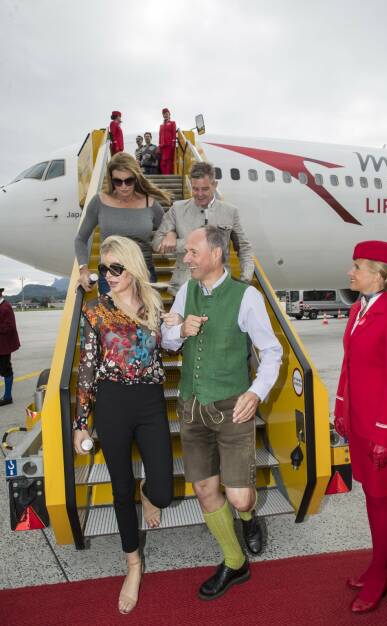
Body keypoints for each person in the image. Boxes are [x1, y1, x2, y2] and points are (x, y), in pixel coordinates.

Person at [161, 226, 282, 600]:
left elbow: (272, 352)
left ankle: (247, 517)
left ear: (216, 254)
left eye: (193, 252)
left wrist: (256, 393)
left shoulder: (247, 297)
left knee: (240, 497)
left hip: (232, 409)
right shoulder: (185, 290)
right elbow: (167, 343)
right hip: (192, 406)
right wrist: (180, 328)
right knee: (203, 488)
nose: (186, 258)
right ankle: (235, 562)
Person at [73, 235, 173, 614]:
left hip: (149, 401)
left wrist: (178, 327)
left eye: (116, 268)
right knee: (120, 487)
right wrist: (81, 423)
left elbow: (165, 347)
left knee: (163, 490)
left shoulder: (152, 306)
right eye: (104, 268)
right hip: (112, 402)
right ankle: (133, 564)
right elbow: (86, 369)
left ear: (133, 269)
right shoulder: (95, 312)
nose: (109, 275)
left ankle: (150, 496)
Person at [333, 240, 387, 614]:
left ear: (380, 277)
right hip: (359, 421)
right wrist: (340, 408)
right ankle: (380, 561)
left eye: (358, 267)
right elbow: (348, 366)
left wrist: (384, 435)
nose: (351, 272)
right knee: (369, 494)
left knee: (381, 499)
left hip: (382, 429)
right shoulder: (356, 312)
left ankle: (381, 573)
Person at [153, 161, 254, 294]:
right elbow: (156, 243)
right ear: (190, 185)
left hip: (221, 292)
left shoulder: (230, 212)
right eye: (195, 189)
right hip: (183, 290)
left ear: (214, 185)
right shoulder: (177, 209)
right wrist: (175, 238)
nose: (199, 194)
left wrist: (245, 279)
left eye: (205, 189)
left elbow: (244, 249)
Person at [75, 152, 171, 292]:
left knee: (145, 314)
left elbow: (169, 229)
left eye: (129, 180)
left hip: (143, 275)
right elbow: (80, 239)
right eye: (118, 181)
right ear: (111, 179)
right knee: (111, 315)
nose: (124, 186)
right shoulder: (99, 202)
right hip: (110, 277)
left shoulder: (150, 204)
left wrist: (170, 235)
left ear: (136, 178)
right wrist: (83, 270)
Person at [0, 288, 20, 406]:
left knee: (6, 370)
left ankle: (8, 397)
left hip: (4, 346)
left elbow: (9, 326)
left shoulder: (5, 307)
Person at [158, 107, 176, 175]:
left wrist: (173, 143)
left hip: (169, 145)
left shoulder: (172, 123)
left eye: (166, 113)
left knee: (168, 161)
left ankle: (168, 175)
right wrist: (159, 146)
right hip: (163, 146)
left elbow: (174, 133)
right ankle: (164, 174)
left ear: (169, 114)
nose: (165, 115)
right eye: (164, 114)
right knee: (163, 162)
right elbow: (160, 136)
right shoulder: (161, 125)